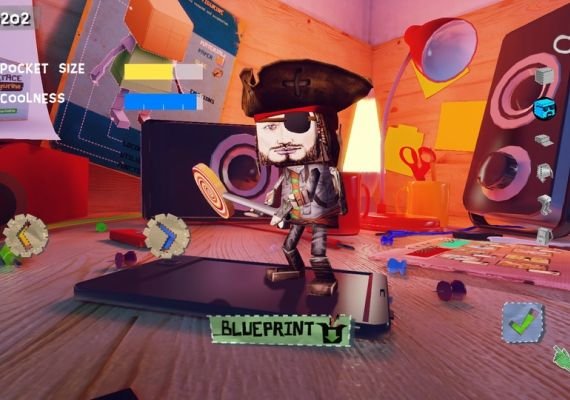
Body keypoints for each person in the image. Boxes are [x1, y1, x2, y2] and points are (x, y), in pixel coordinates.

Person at [240, 59, 372, 296]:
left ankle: (325, 279)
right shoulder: (290, 167)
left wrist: (283, 209)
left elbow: (306, 192)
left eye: (297, 124)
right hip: (298, 214)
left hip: (317, 213)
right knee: (288, 246)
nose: (283, 140)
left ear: (322, 130)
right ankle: (295, 269)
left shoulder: (318, 169)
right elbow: (285, 184)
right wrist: (271, 201)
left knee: (317, 252)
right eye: (270, 127)